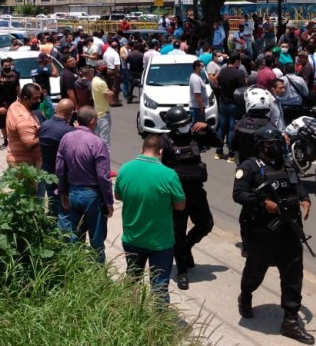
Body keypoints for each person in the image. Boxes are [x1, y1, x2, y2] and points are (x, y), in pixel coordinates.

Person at [233, 126, 315, 344]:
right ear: (261, 147)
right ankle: (246, 295)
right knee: (255, 271)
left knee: (293, 275)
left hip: (290, 230)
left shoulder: (287, 165)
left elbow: (298, 187)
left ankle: (289, 320)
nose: (276, 148)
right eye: (271, 145)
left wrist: (305, 199)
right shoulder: (249, 167)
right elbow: (239, 193)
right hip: (262, 232)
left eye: (278, 143)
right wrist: (262, 203)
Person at [115, 134, 187, 303]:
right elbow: (180, 205)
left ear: (142, 149)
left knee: (132, 278)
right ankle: (158, 323)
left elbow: (118, 195)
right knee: (159, 285)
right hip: (160, 242)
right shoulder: (169, 175)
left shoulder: (125, 169)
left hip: (132, 238)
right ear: (160, 152)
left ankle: (128, 315)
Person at [160, 106, 222, 290]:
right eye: (181, 124)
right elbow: (157, 166)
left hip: (196, 190)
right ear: (172, 126)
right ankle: (182, 270)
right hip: (177, 194)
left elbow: (218, 142)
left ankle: (186, 249)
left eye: (187, 122)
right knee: (178, 232)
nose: (185, 126)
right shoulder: (165, 141)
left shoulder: (195, 136)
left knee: (206, 224)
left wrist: (208, 128)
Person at [56, 106, 114, 263]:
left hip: (73, 193)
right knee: (96, 240)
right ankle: (98, 274)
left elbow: (60, 169)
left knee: (75, 237)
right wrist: (109, 202)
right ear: (93, 121)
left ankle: (75, 269)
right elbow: (103, 176)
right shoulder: (97, 143)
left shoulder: (66, 139)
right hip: (92, 196)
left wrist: (63, 192)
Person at [39, 98, 76, 214]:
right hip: (63, 175)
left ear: (56, 109)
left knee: (52, 201)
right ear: (70, 113)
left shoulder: (44, 125)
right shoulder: (69, 131)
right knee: (64, 208)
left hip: (46, 171)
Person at [5, 83, 43, 168]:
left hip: (17, 158)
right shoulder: (24, 120)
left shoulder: (15, 104)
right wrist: (45, 133)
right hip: (24, 165)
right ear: (25, 98)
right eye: (35, 98)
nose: (39, 100)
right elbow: (29, 145)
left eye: (39, 97)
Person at [216, 53, 246, 159]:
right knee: (232, 128)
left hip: (223, 103)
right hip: (234, 104)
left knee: (222, 127)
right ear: (237, 61)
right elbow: (243, 90)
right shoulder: (238, 74)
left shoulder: (222, 71)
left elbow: (218, 82)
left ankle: (218, 151)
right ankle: (231, 153)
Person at [0, 57, 20, 148]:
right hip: (1, 104)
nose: (8, 67)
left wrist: (20, 100)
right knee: (2, 123)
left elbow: (18, 89)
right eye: (5, 65)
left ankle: (14, 140)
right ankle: (5, 141)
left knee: (13, 122)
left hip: (13, 103)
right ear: (2, 66)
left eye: (9, 65)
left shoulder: (15, 76)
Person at [91, 61, 114, 149]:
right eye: (103, 69)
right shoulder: (101, 83)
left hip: (97, 112)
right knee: (105, 142)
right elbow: (110, 100)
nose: (104, 70)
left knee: (97, 139)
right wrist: (111, 94)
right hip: (104, 114)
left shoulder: (94, 80)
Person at [188, 59, 209, 124]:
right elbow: (197, 95)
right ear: (197, 67)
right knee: (198, 127)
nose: (203, 68)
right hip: (197, 108)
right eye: (202, 66)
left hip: (198, 107)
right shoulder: (196, 79)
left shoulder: (198, 77)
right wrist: (201, 107)